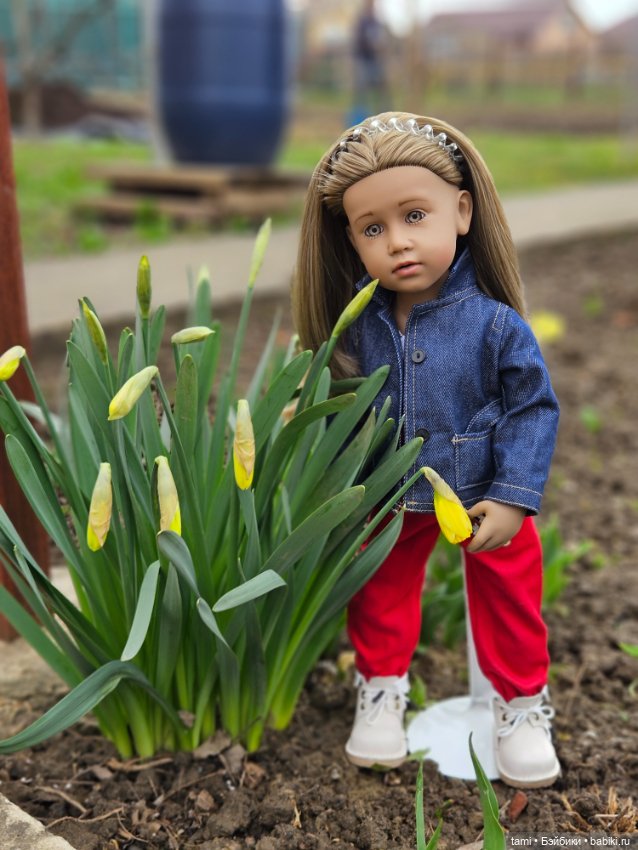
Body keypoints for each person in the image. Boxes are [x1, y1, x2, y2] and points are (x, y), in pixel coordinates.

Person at [292, 112, 561, 789]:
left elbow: (533, 409)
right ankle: (381, 690)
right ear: (350, 240)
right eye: (373, 229)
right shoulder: (355, 322)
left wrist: (513, 493)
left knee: (509, 594)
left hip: (480, 488)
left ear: (462, 211)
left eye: (416, 216)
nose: (398, 243)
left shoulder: (497, 326)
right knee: (379, 592)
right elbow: (338, 397)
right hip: (387, 491)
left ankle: (521, 705)